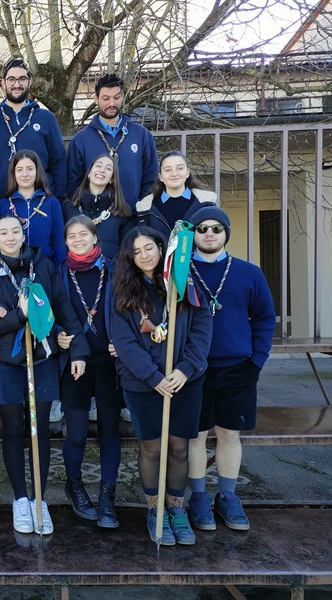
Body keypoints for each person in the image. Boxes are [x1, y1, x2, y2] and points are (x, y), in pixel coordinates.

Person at [0, 215, 88, 535]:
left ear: (22, 235)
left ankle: (39, 499)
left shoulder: (44, 266)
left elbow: (63, 310)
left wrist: (76, 348)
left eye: (14, 231)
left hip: (42, 359)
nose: (10, 237)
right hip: (4, 362)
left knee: (39, 430)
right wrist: (18, 315)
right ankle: (21, 500)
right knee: (13, 427)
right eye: (3, 233)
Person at [110, 226, 212, 546]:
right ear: (130, 257)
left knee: (179, 447)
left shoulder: (182, 281)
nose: (145, 255)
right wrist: (154, 378)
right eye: (137, 251)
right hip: (143, 384)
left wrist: (185, 369)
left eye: (150, 247)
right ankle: (155, 509)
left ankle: (177, 509)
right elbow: (125, 343)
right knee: (152, 448)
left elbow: (202, 327)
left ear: (161, 247)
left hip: (185, 381)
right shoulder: (125, 291)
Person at [187, 206, 275, 532]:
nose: (209, 233)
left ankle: (227, 496)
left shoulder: (248, 273)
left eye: (216, 228)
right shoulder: (181, 272)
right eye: (202, 228)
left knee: (229, 434)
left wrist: (257, 361)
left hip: (238, 366)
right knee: (195, 435)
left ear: (226, 233)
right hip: (193, 368)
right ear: (193, 234)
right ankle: (198, 498)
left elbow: (265, 318)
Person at [58, 215, 122, 528]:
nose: (79, 239)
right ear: (66, 241)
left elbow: (130, 308)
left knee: (111, 431)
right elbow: (51, 314)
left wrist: (122, 343)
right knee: (78, 433)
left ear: (95, 238)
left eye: (84, 234)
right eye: (72, 236)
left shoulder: (113, 270)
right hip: (74, 365)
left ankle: (107, 496)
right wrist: (61, 337)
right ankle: (74, 485)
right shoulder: (59, 273)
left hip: (109, 365)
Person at [0, 58, 67, 205]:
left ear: (30, 81)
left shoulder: (46, 118)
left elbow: (58, 160)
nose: (17, 84)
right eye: (11, 79)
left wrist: (59, 198)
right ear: (3, 82)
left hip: (40, 202)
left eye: (22, 79)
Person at [66, 73, 158, 211]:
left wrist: (140, 208)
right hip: (96, 220)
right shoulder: (81, 139)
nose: (112, 103)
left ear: (122, 97)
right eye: (106, 98)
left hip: (133, 217)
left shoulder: (141, 135)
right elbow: (74, 184)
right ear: (96, 99)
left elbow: (151, 179)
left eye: (116, 97)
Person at [0, 150, 66, 267]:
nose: (25, 174)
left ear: (37, 171)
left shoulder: (51, 203)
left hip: (45, 269)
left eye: (30, 169)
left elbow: (59, 242)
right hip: (12, 271)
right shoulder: (3, 205)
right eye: (19, 170)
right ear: (13, 173)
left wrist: (58, 272)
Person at [63, 153, 132, 259]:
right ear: (89, 173)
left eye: (108, 169)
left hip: (110, 272)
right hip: (73, 272)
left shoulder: (122, 212)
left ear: (112, 179)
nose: (102, 170)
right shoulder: (68, 207)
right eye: (98, 166)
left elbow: (125, 251)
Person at [136, 151, 217, 240]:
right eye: (168, 170)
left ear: (187, 173)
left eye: (180, 168)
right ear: (160, 177)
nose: (174, 174)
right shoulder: (146, 208)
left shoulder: (205, 204)